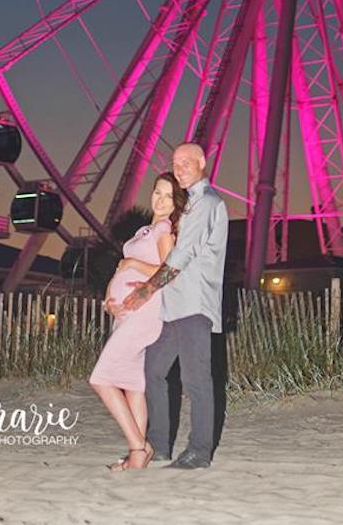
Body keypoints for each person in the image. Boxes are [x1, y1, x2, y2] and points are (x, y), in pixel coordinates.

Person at [122, 142, 229, 469]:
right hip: (172, 308)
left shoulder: (207, 203)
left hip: (194, 305)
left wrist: (147, 289)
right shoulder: (189, 206)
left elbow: (181, 257)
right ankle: (160, 444)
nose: (179, 167)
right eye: (175, 162)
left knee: (197, 380)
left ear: (202, 162)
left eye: (186, 161)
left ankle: (199, 451)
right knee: (152, 371)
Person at [89, 171, 187, 471]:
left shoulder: (165, 232)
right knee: (132, 384)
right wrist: (109, 297)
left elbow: (169, 271)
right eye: (157, 192)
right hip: (126, 312)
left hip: (145, 311)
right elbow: (121, 269)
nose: (159, 199)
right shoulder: (146, 229)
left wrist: (131, 263)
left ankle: (138, 446)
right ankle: (136, 459)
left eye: (168, 196)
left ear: (177, 203)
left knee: (101, 378)